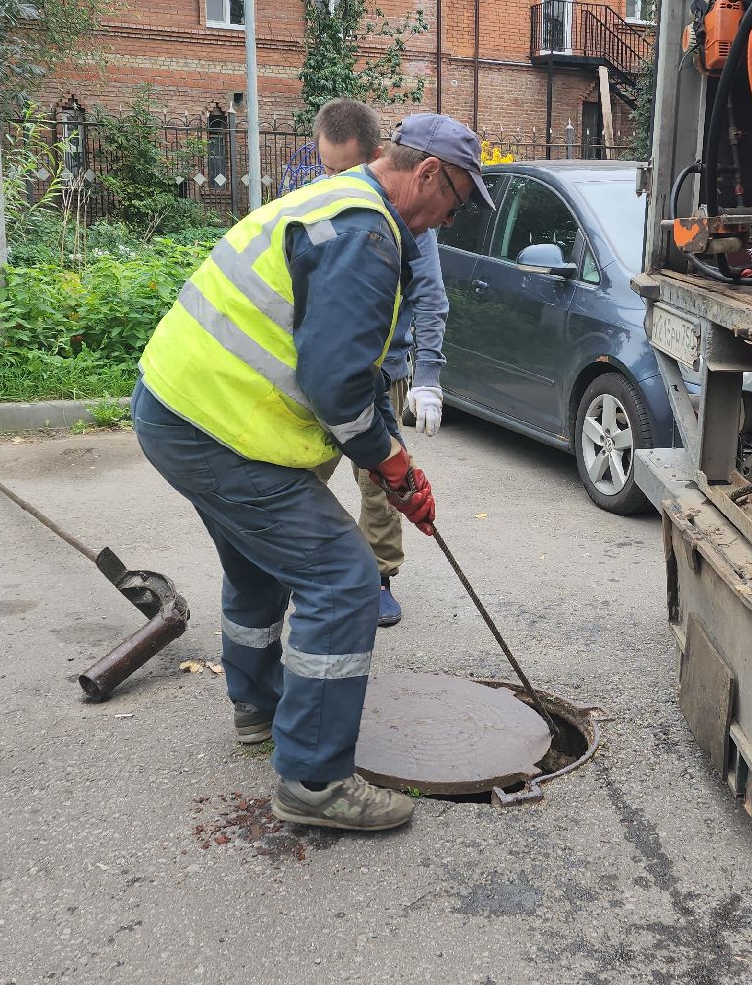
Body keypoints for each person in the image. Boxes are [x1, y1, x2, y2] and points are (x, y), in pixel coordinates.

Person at [132, 113, 493, 832]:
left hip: (180, 410)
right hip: (221, 432)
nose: (446, 222)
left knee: (259, 569)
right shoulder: (366, 235)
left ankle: (258, 711)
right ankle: (316, 781)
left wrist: (395, 461)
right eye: (453, 202)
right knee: (345, 579)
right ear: (426, 173)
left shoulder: (337, 203)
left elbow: (344, 370)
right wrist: (389, 460)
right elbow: (335, 388)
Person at [311, 102, 449, 628]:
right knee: (300, 477)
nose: (336, 182)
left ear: (376, 159)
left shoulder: (412, 221)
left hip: (381, 371)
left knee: (381, 483)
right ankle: (304, 572)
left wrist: (429, 377)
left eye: (344, 170)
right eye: (326, 171)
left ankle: (378, 578)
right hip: (322, 375)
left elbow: (431, 297)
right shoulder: (319, 206)